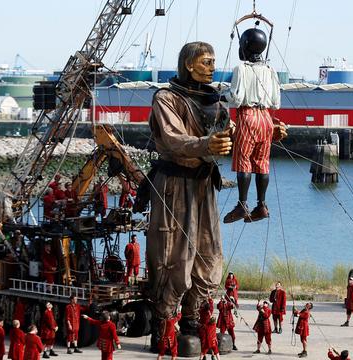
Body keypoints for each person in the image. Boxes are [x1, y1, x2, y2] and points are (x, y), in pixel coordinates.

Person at [146, 41, 232, 336]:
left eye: (213, 62)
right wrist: (205, 144)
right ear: (188, 64)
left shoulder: (217, 101)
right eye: (206, 62)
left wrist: (269, 133)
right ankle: (163, 319)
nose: (212, 67)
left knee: (208, 252)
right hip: (174, 183)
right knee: (173, 254)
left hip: (204, 183)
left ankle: (192, 316)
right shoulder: (166, 98)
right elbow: (173, 138)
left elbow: (233, 135)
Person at [223, 27, 286, 224]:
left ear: (245, 47)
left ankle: (242, 205)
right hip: (265, 118)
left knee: (244, 161)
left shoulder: (241, 69)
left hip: (248, 116)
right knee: (262, 162)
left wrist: (220, 97)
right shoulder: (270, 70)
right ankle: (262, 205)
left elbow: (236, 97)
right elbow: (276, 102)